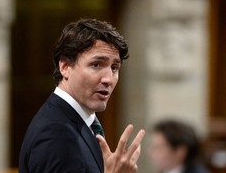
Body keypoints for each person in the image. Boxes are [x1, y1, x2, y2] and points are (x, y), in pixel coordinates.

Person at [19, 18, 145, 173]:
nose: (108, 79)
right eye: (96, 64)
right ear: (65, 67)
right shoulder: (56, 134)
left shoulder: (76, 122)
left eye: (114, 67)